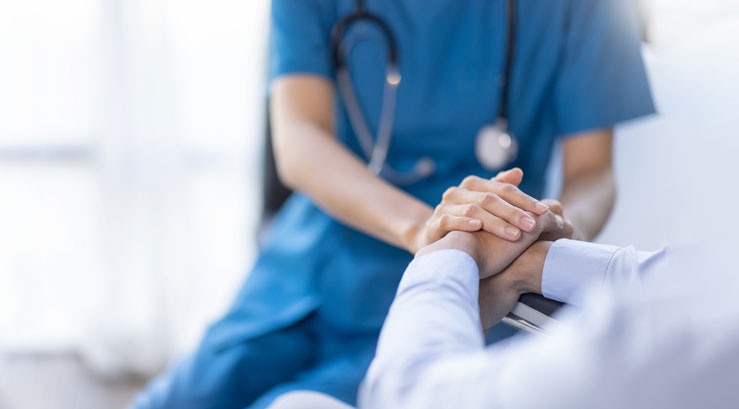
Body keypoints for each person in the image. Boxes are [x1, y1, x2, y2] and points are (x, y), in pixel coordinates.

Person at [130, 1, 654, 408]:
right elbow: (299, 142)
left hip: (475, 282)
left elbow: (592, 173)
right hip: (318, 258)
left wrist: (550, 234)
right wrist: (427, 230)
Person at [268, 223, 738, 409]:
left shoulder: (675, 346)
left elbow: (406, 395)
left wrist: (453, 249)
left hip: (445, 279)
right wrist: (535, 263)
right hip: (335, 255)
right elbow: (680, 277)